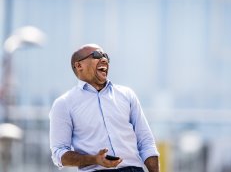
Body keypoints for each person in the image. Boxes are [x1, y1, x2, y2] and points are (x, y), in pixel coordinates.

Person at [49, 43, 160, 172]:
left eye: (106, 56)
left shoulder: (127, 95)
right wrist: (94, 159)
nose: (104, 59)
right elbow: (59, 154)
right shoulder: (64, 103)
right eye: (96, 55)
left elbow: (146, 142)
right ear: (79, 65)